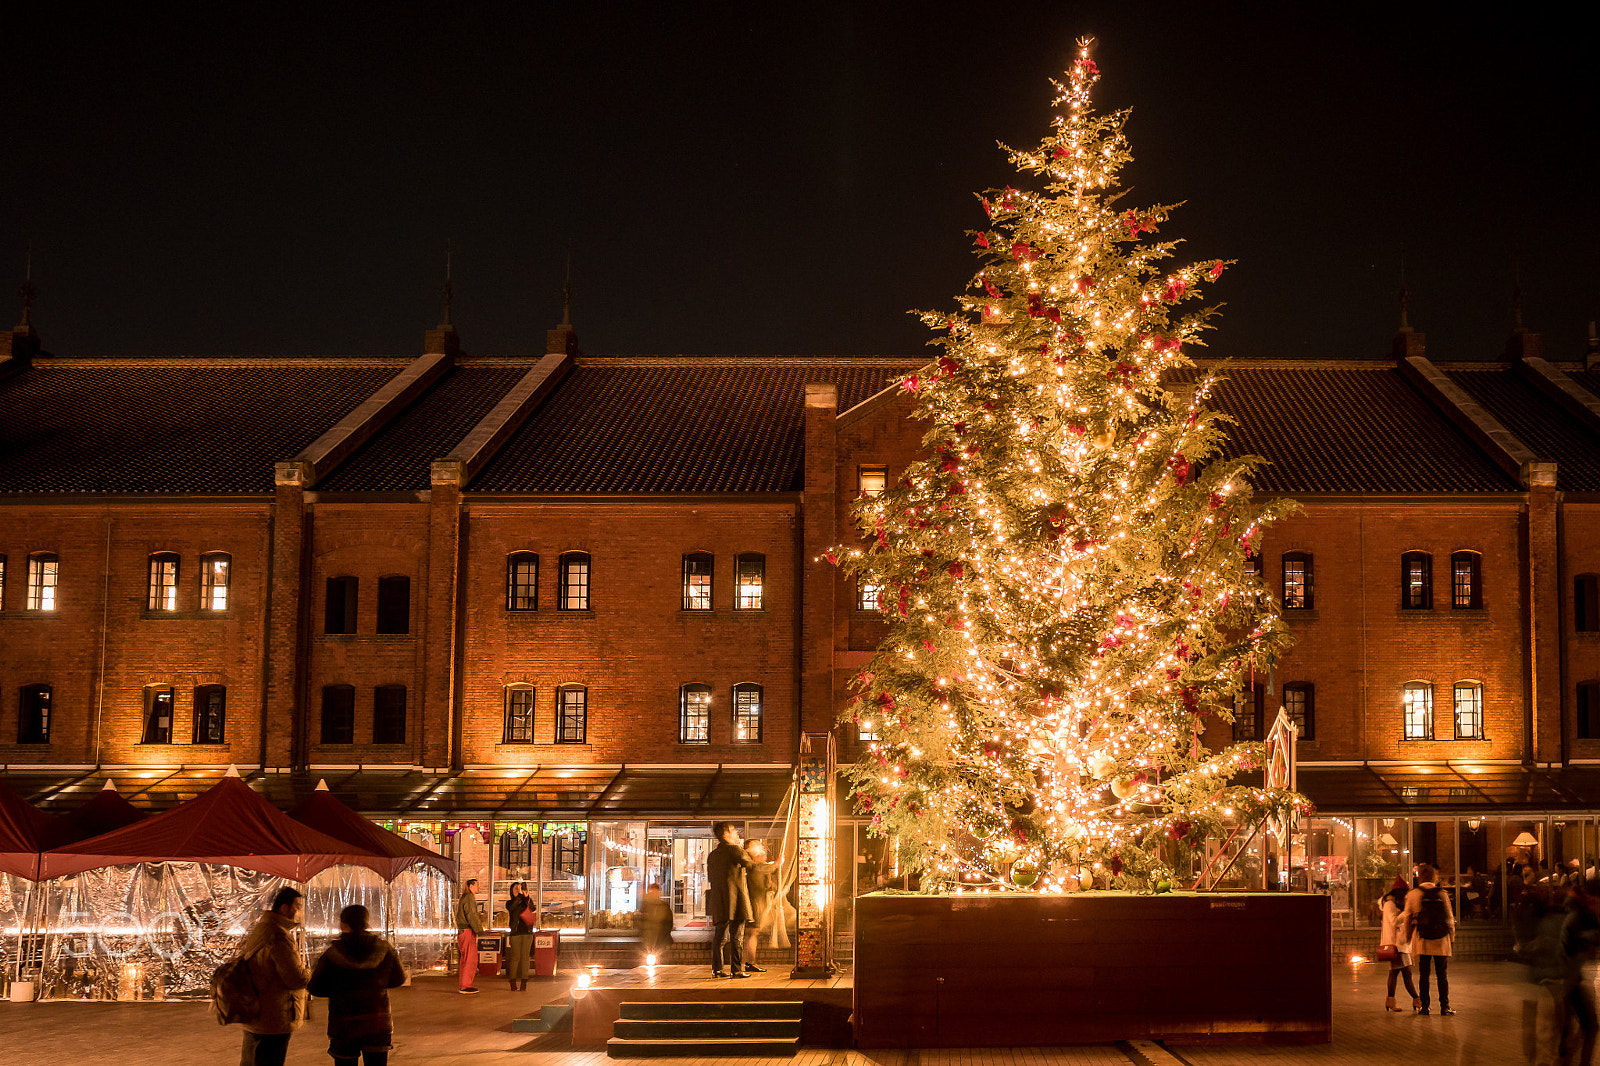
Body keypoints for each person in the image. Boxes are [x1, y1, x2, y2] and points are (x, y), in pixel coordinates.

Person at [307, 904, 407, 1066]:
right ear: (366, 922)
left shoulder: (332, 954)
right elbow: (398, 979)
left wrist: (338, 989)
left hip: (343, 1025)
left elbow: (315, 988)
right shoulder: (384, 949)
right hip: (377, 1023)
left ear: (343, 924)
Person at [237, 886, 311, 1066]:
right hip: (274, 1017)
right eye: (297, 907)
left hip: (255, 1012)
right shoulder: (279, 935)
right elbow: (295, 978)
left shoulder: (260, 929)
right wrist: (309, 971)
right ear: (285, 908)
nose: (299, 912)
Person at [1403, 863, 1456, 1015]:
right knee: (1442, 974)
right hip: (1441, 939)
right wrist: (1451, 936)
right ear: (1434, 877)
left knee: (1424, 974)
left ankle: (1425, 1007)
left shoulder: (1413, 894)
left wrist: (1407, 937)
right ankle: (1444, 1007)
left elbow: (1407, 918)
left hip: (1422, 939)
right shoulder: (1442, 894)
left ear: (1419, 877)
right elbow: (1449, 917)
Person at [705, 820, 755, 978]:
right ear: (726, 834)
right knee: (737, 937)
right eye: (733, 830)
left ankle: (717, 969)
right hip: (737, 901)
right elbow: (751, 865)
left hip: (720, 901)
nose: (737, 833)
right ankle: (736, 969)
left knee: (719, 937)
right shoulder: (735, 850)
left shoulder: (712, 855)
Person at [1564, 887, 1600, 1066]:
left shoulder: (1580, 916)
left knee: (1579, 1028)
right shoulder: (1580, 918)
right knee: (1590, 1027)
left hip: (1570, 980)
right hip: (1569, 980)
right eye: (1594, 902)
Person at [1378, 876, 1420, 1013]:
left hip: (1402, 944)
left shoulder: (1397, 904)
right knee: (1406, 973)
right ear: (1399, 892)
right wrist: (1407, 912)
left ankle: (1391, 1001)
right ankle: (1417, 1000)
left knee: (1395, 973)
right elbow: (1394, 921)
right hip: (1396, 945)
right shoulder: (1389, 904)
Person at [744, 839, 781, 968]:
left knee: (753, 932)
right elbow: (761, 869)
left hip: (758, 902)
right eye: (755, 845)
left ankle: (750, 961)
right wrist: (776, 864)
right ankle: (750, 961)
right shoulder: (752, 864)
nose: (759, 846)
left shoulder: (758, 864)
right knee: (752, 932)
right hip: (754, 903)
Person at [455, 878, 485, 994]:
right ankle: (466, 985)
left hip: (464, 931)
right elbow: (471, 914)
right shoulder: (469, 898)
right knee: (470, 959)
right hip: (468, 930)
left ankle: (465, 984)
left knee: (466, 958)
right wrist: (479, 930)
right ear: (471, 886)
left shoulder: (465, 897)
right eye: (477, 885)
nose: (479, 887)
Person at [506, 881, 534, 991]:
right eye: (515, 889)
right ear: (511, 891)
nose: (518, 890)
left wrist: (526, 897)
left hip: (527, 933)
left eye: (519, 888)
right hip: (516, 933)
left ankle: (524, 982)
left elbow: (532, 908)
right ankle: (513, 982)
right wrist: (518, 897)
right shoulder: (510, 902)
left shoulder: (526, 901)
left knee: (525, 958)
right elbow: (512, 908)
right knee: (515, 958)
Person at [638, 882, 674, 961]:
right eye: (652, 891)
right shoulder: (646, 906)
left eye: (655, 891)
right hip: (649, 939)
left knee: (660, 959)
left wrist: (665, 935)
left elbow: (669, 922)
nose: (654, 893)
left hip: (660, 939)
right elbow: (641, 922)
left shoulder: (663, 906)